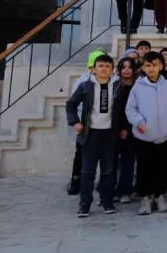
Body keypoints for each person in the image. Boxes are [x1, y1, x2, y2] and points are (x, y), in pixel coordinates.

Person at [65, 53, 127, 217]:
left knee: (108, 171)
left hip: (110, 135)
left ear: (113, 70)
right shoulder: (85, 86)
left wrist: (124, 127)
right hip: (90, 134)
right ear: (93, 69)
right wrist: (75, 122)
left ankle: (107, 201)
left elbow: (124, 110)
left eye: (107, 66)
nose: (104, 69)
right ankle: (84, 204)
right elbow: (70, 105)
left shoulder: (119, 86)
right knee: (88, 172)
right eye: (100, 66)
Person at [125, 52, 167, 214]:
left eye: (155, 65)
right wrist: (140, 123)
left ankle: (160, 196)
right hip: (143, 136)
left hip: (163, 135)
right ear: (143, 67)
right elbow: (130, 109)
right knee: (144, 168)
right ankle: (145, 198)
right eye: (148, 65)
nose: (151, 69)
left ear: (161, 66)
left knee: (162, 167)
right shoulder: (138, 86)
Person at [66, 49, 108, 196]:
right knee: (81, 155)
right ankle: (76, 181)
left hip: (104, 127)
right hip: (85, 125)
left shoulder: (110, 81)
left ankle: (103, 185)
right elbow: (73, 103)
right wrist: (77, 123)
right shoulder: (83, 81)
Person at [112, 58, 138, 204]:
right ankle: (110, 190)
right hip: (114, 129)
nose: (127, 70)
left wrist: (127, 128)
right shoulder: (114, 86)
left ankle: (125, 190)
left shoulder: (138, 87)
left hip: (131, 130)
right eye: (124, 67)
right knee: (112, 162)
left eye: (130, 67)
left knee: (128, 162)